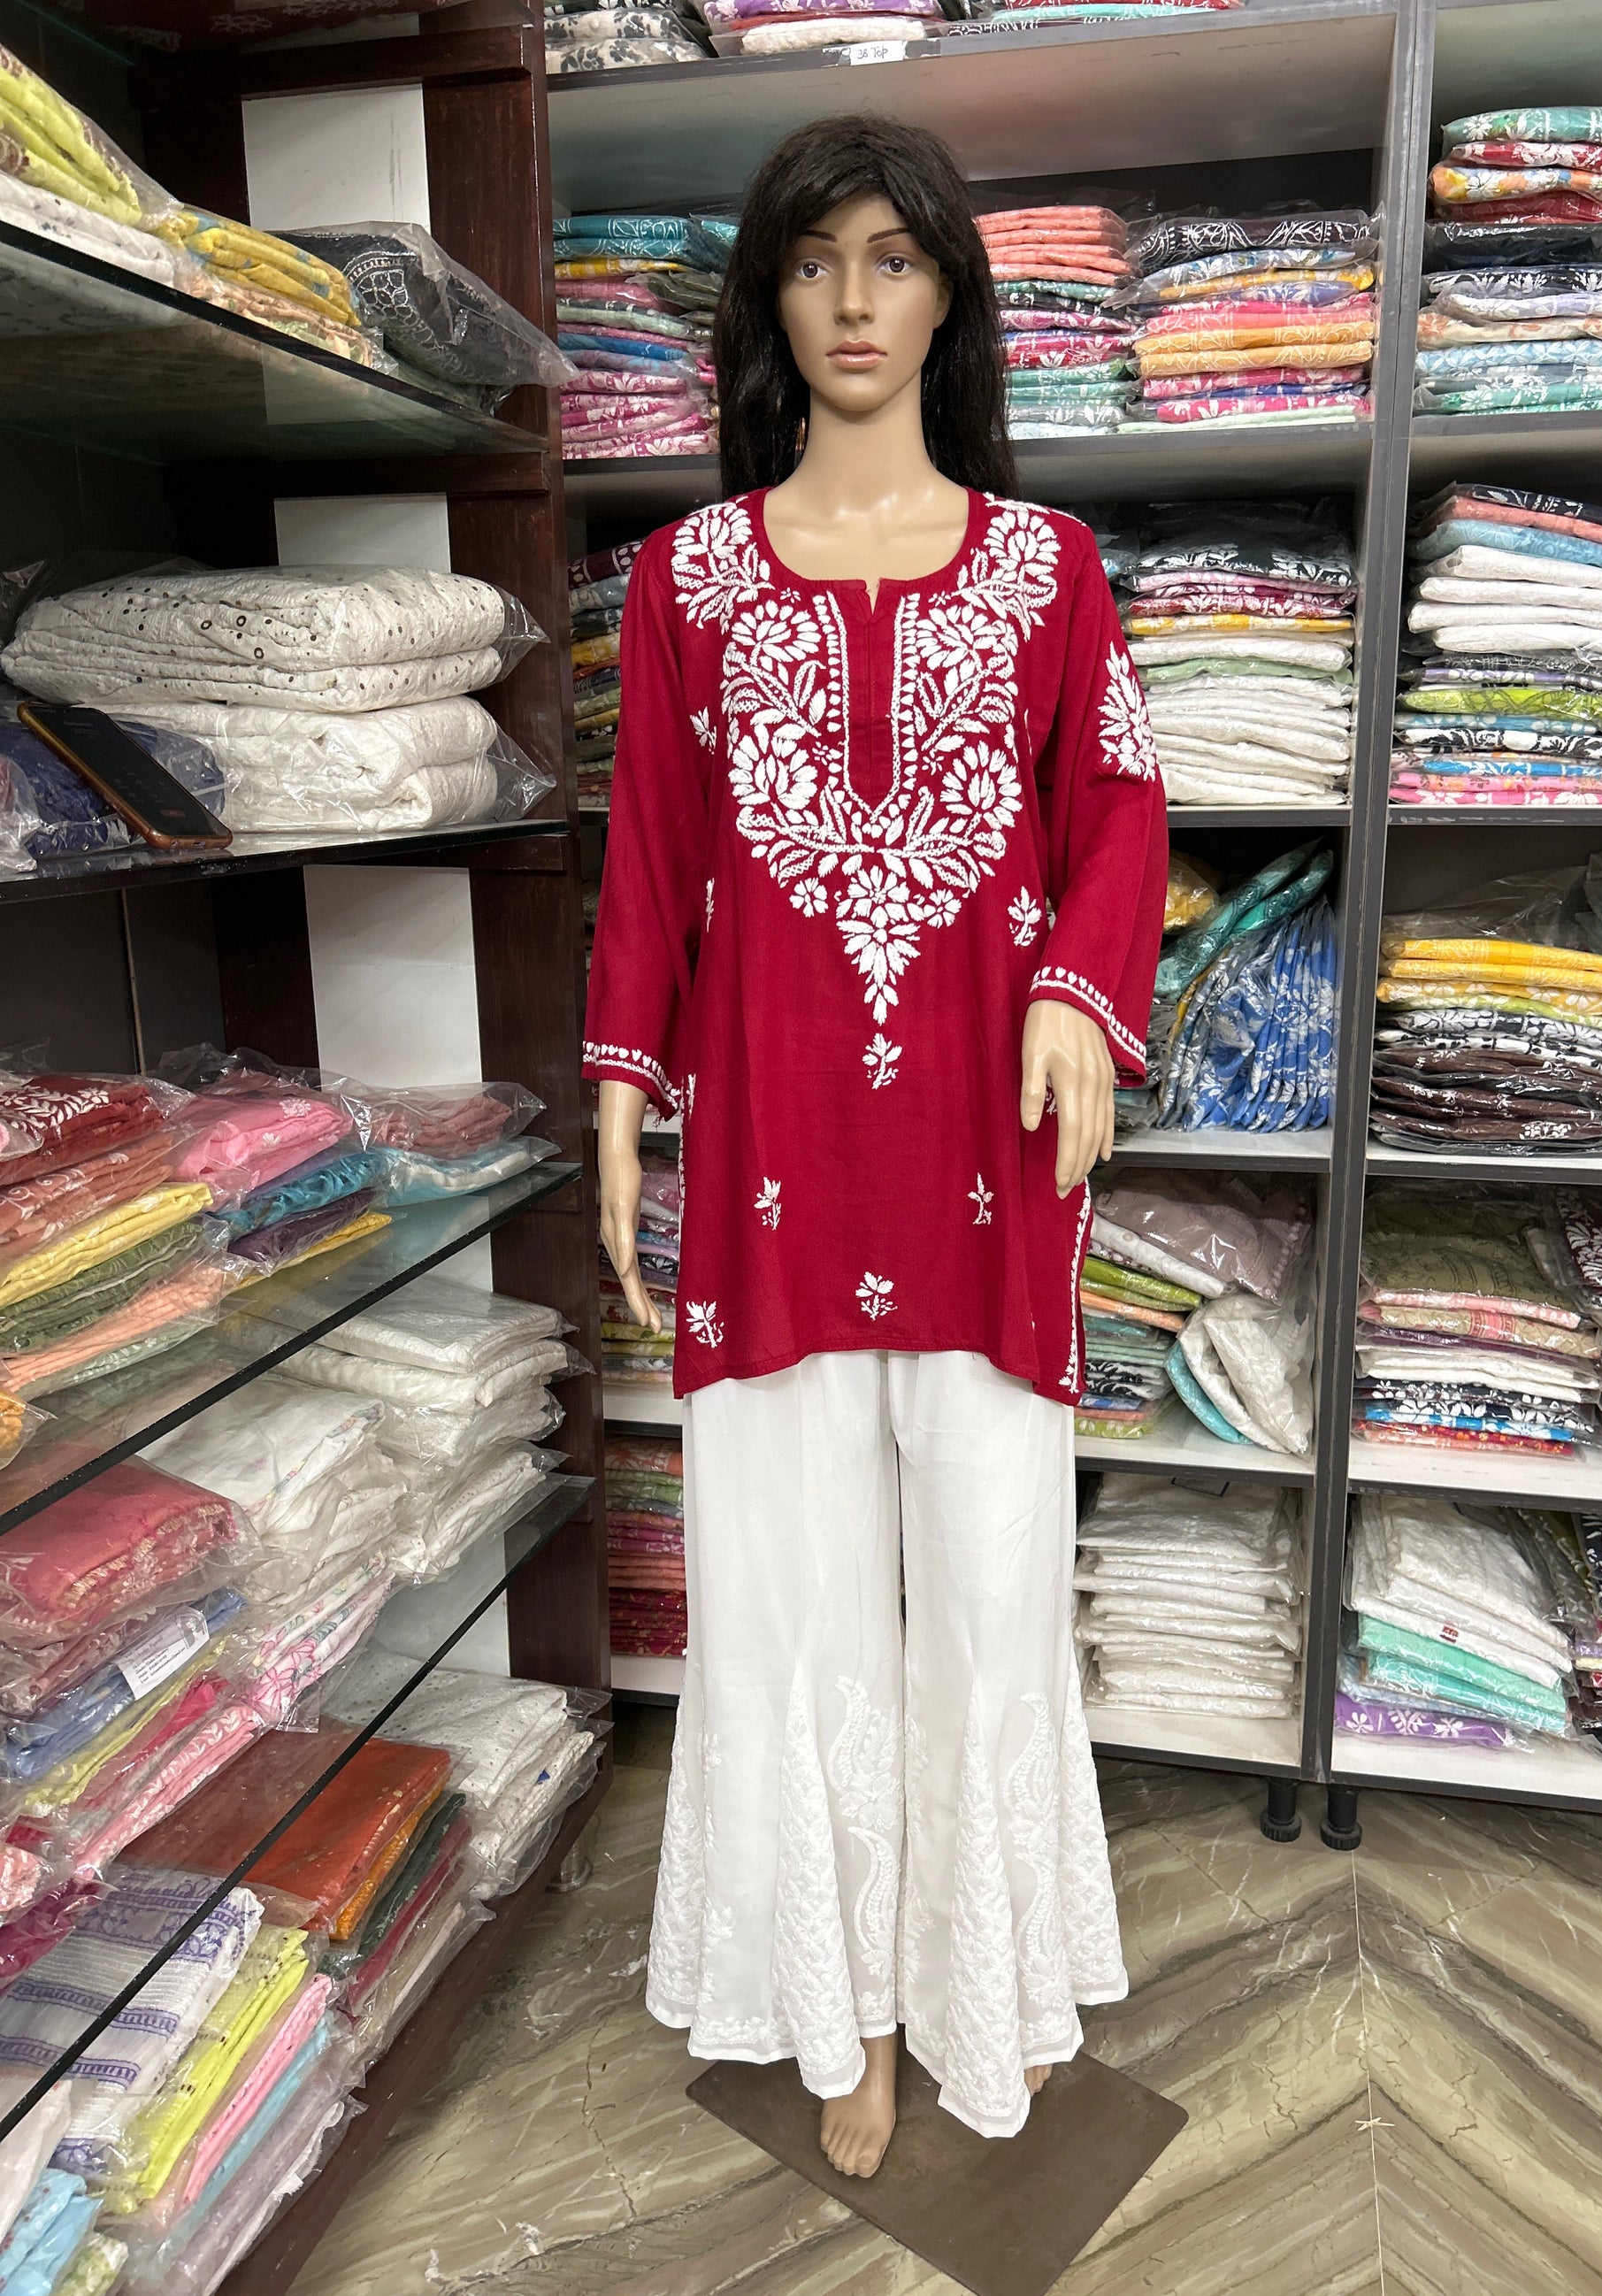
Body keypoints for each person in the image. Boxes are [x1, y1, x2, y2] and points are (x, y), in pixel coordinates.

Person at [582, 114, 1167, 2177]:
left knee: (988, 1572)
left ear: (947, 295)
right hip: (764, 1137)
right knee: (788, 1578)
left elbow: (1115, 809)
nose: (851, 299)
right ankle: (837, 2009)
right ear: (770, 295)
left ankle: (974, 1977)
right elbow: (653, 854)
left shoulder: (1046, 567)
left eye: (893, 258)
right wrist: (619, 1094)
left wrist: (1069, 990)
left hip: (990, 1150)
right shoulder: (686, 578)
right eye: (815, 259)